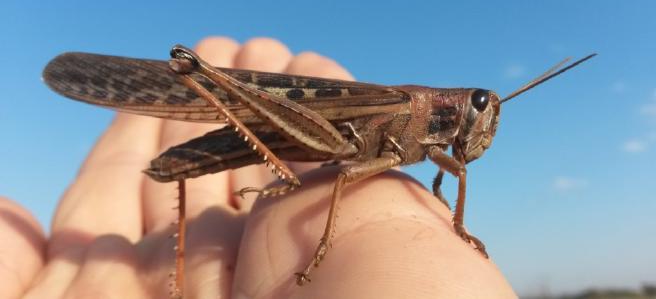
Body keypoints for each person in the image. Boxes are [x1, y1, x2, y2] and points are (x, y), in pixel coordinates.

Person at [1, 37, 516, 298]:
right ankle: (213, 92)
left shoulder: (437, 153)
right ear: (451, 106)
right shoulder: (405, 109)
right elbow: (343, 173)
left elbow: (458, 169)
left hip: (307, 134)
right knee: (335, 174)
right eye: (476, 106)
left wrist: (455, 223)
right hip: (301, 125)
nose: (479, 122)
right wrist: (314, 244)